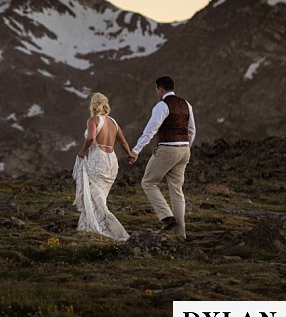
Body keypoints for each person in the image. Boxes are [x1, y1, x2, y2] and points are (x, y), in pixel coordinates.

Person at [128, 76, 195, 238]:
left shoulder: (162, 106)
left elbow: (150, 131)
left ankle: (166, 217)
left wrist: (136, 151)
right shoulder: (186, 104)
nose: (156, 92)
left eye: (156, 89)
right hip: (184, 150)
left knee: (148, 182)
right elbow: (192, 130)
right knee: (177, 191)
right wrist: (186, 147)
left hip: (167, 149)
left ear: (161, 89)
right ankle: (180, 235)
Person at [72, 92, 135, 241]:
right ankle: (88, 224)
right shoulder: (113, 122)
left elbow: (91, 137)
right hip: (112, 161)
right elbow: (123, 142)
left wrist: (83, 151)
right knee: (100, 197)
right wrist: (130, 154)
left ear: (93, 105)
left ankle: (102, 228)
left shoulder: (93, 120)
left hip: (97, 159)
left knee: (95, 195)